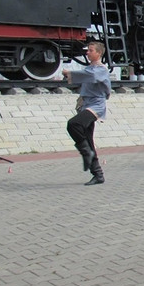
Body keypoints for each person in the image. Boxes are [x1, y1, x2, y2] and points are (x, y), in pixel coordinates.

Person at [63, 41, 111, 186]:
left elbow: (92, 76)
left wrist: (70, 74)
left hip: (96, 105)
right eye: (88, 50)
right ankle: (98, 174)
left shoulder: (101, 69)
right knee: (88, 139)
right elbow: (86, 77)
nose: (87, 52)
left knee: (73, 124)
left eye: (91, 50)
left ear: (99, 53)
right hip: (86, 104)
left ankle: (86, 152)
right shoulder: (89, 68)